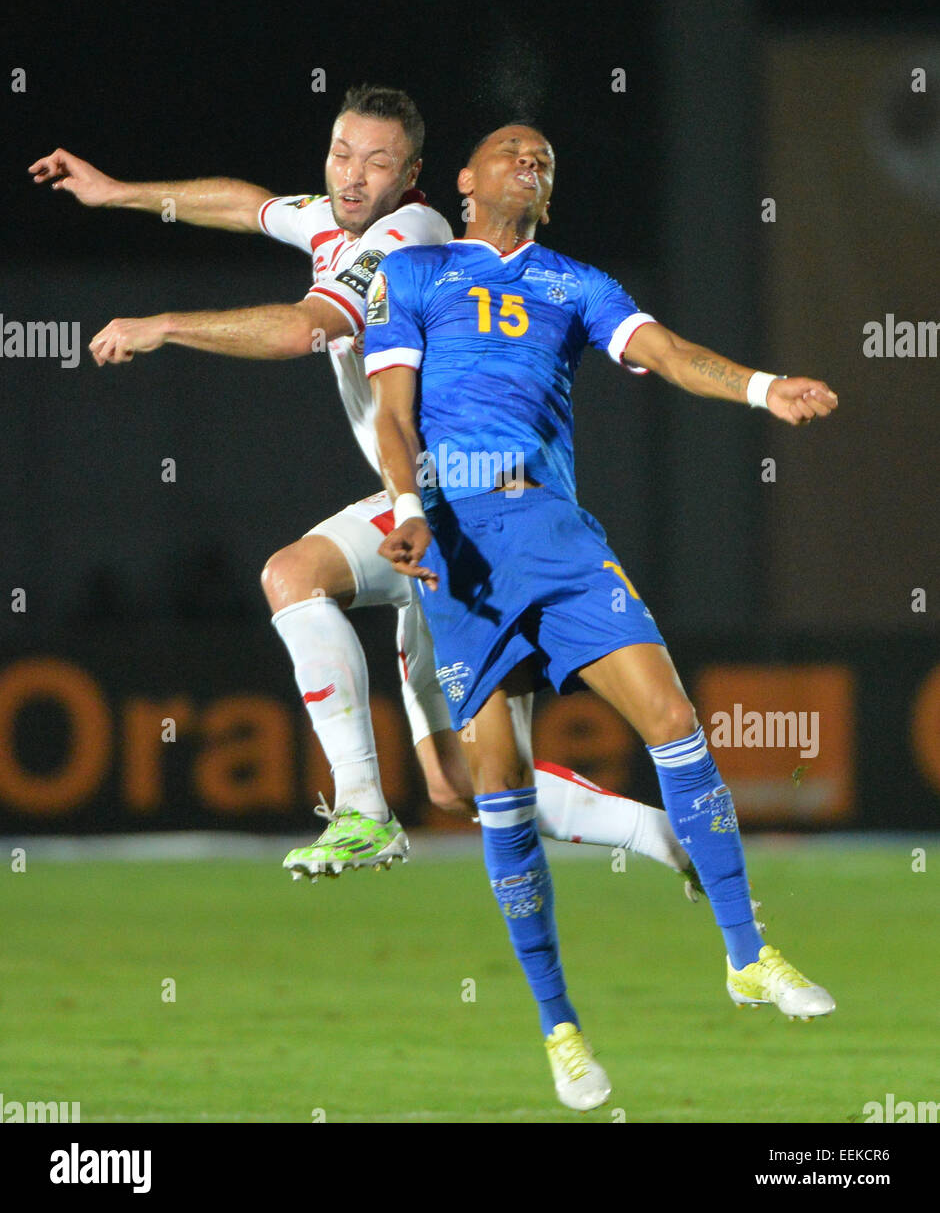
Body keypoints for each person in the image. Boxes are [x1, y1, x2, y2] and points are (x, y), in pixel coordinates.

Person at [28, 90, 694, 891]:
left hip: (456, 500)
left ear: (412, 175)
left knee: (293, 573)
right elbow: (251, 206)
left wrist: (164, 324)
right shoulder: (338, 211)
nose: (352, 176)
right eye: (343, 153)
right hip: (433, 506)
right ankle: (655, 830)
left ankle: (362, 811)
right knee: (457, 782)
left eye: (378, 162)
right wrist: (117, 193)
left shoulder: (408, 239)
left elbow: (305, 327)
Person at [365, 123, 839, 1112]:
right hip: (454, 545)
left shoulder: (573, 283)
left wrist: (761, 388)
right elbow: (395, 416)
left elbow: (662, 351)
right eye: (513, 150)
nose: (533, 160)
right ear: (464, 179)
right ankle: (559, 1027)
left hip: (554, 533)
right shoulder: (412, 276)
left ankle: (745, 953)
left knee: (673, 719)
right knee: (495, 788)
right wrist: (407, 510)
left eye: (547, 154)